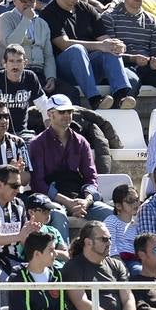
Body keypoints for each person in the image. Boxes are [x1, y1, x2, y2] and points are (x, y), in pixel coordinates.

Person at [40, 0, 136, 108]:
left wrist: (115, 45)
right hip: (64, 72)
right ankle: (95, 99)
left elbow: (105, 40)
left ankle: (121, 96)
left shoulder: (86, 9)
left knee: (110, 49)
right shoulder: (48, 13)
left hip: (88, 67)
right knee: (77, 50)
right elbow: (64, 44)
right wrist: (100, 45)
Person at [29, 94, 113, 226]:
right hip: (51, 200)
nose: (67, 115)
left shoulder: (81, 141)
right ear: (50, 114)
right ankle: (62, 248)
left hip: (79, 197)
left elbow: (91, 177)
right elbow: (37, 183)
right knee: (58, 215)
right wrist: (67, 202)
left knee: (111, 215)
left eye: (70, 111)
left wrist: (87, 200)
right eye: (62, 112)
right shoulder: (37, 143)